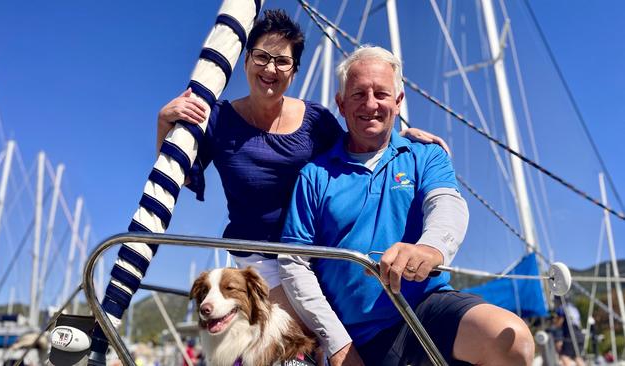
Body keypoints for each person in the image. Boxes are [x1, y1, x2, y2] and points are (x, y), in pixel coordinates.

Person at [91, 8, 448, 363]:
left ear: (293, 72)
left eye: (282, 61)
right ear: (246, 60)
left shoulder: (316, 121)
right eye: (261, 56)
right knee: (296, 350)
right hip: (260, 264)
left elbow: (358, 147)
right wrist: (162, 126)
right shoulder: (219, 120)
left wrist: (402, 139)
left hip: (316, 258)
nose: (270, 69)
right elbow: (180, 176)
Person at [278, 45, 535, 366]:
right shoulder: (314, 175)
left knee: (510, 340)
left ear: (398, 102)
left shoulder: (426, 155)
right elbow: (293, 262)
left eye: (381, 94)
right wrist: (336, 342)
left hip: (425, 307)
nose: (371, 104)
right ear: (341, 105)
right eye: (358, 94)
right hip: (349, 331)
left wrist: (431, 248)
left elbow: (447, 204)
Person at [552, 302, 585, 366]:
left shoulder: (562, 308)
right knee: (577, 357)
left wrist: (554, 325)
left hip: (571, 336)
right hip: (579, 335)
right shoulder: (574, 308)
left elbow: (559, 322)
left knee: (564, 356)